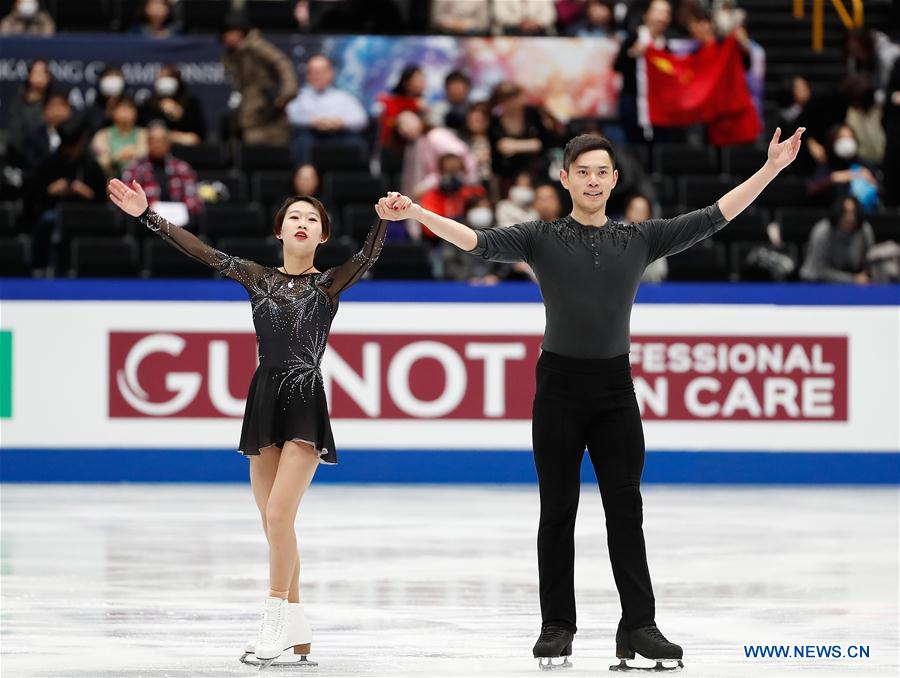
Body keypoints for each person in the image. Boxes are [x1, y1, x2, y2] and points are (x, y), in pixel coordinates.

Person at [375, 127, 805, 671]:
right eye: (583, 172)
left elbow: (715, 215)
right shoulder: (540, 236)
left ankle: (639, 627)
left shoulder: (641, 238)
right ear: (565, 178)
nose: (594, 180)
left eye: (602, 172)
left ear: (615, 180)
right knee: (557, 512)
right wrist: (417, 213)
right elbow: (476, 243)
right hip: (557, 389)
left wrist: (771, 169)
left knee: (626, 512)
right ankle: (556, 626)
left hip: (614, 392)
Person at [107, 178, 389, 669]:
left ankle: (273, 620)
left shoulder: (329, 283)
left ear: (323, 236)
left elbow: (365, 259)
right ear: (280, 230)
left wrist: (384, 218)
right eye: (295, 217)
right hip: (264, 399)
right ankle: (298, 628)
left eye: (313, 220)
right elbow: (203, 252)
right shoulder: (259, 278)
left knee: (279, 516)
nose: (303, 224)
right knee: (274, 523)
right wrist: (145, 216)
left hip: (304, 401)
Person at [28, 119, 106, 270]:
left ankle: (94, 267)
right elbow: (32, 199)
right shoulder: (48, 163)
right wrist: (50, 191)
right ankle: (39, 266)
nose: (73, 150)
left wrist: (86, 193)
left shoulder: (91, 165)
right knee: (47, 220)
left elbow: (102, 199)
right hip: (55, 211)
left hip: (87, 213)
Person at [221, 13, 299, 145]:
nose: (229, 37)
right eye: (226, 34)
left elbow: (282, 64)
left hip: (268, 108)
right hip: (249, 108)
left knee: (274, 147)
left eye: (232, 32)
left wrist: (287, 93)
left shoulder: (257, 46)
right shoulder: (233, 54)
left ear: (241, 32)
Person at [286, 55, 369, 165]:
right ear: (308, 75)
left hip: (339, 135)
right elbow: (289, 117)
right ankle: (305, 176)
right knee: (300, 141)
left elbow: (362, 120)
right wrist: (312, 122)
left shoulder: (344, 97)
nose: (318, 76)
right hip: (309, 135)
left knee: (358, 144)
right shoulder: (300, 96)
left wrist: (341, 123)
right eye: (314, 72)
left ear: (331, 73)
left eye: (322, 71)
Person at [614, 0, 672, 143]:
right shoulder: (634, 37)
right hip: (633, 103)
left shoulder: (665, 45)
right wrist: (632, 54)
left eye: (666, 13)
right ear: (646, 15)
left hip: (659, 106)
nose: (662, 17)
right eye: (657, 11)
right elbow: (617, 66)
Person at [121, 123, 203, 221]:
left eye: (161, 141)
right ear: (147, 143)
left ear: (168, 144)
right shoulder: (135, 168)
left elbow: (193, 198)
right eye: (153, 141)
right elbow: (128, 198)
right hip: (145, 222)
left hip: (179, 223)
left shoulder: (182, 168)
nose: (157, 144)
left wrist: (182, 211)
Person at [799, 196, 875, 283]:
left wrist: (864, 275)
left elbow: (869, 260)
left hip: (853, 280)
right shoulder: (822, 231)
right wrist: (852, 279)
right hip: (817, 282)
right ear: (837, 212)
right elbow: (820, 270)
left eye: (853, 212)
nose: (850, 218)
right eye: (845, 212)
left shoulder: (865, 229)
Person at [807, 124, 881, 212]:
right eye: (842, 137)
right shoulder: (827, 167)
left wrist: (871, 180)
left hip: (862, 217)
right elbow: (811, 190)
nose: (847, 141)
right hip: (832, 217)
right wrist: (834, 178)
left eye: (850, 137)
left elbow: (882, 192)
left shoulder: (864, 165)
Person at [140, 65, 207, 145]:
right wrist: (168, 136)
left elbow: (199, 135)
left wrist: (180, 115)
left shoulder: (191, 103)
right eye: (161, 77)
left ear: (178, 80)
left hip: (185, 150)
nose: (165, 81)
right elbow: (141, 131)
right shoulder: (148, 103)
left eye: (169, 77)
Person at [91, 97, 148, 177]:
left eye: (129, 107)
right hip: (111, 179)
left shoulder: (144, 134)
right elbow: (102, 162)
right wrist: (118, 157)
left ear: (136, 112)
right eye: (121, 107)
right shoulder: (102, 135)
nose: (125, 110)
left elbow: (145, 156)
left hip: (141, 180)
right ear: (112, 112)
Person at [624, 194, 669, 282]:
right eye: (635, 210)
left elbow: (662, 271)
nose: (638, 214)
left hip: (648, 287)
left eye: (642, 211)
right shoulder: (614, 232)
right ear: (628, 211)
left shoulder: (654, 234)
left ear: (648, 214)